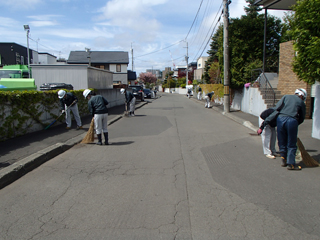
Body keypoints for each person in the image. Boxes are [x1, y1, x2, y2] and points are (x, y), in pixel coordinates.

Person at [262, 88, 307, 170]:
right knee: (291, 143)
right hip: (292, 121)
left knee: (282, 140)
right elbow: (302, 117)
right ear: (302, 96)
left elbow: (277, 108)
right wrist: (296, 123)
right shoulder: (301, 102)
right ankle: (291, 164)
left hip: (280, 119)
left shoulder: (286, 97)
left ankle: (283, 159)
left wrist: (265, 122)